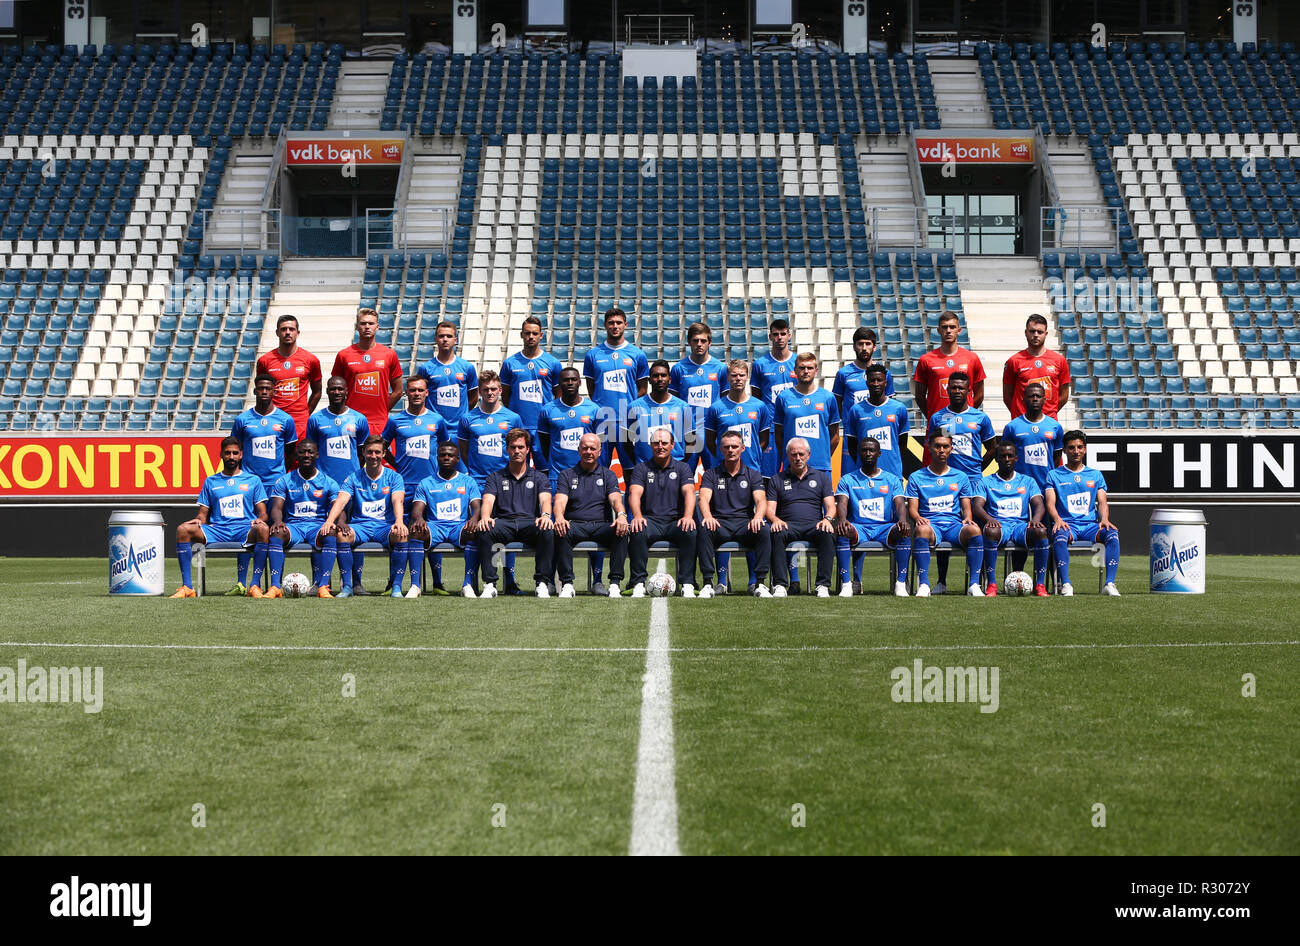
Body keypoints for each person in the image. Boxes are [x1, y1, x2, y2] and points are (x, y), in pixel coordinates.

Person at [169, 437, 270, 598]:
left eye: (235, 453)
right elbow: (203, 515)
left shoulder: (253, 480)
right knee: (183, 529)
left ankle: (254, 585)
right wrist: (199, 520)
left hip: (244, 529)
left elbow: (263, 512)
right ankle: (187, 587)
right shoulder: (211, 481)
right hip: (218, 530)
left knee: (263, 529)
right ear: (221, 455)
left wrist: (261, 519)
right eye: (227, 453)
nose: (231, 456)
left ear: (241, 455)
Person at [924, 371, 996, 594]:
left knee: (978, 530)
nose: (956, 391)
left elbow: (992, 447)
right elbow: (936, 447)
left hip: (973, 482)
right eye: (952, 387)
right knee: (945, 524)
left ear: (969, 391)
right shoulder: (939, 418)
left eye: (961, 388)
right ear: (947, 390)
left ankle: (978, 582)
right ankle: (942, 582)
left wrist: (977, 468)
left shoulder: (980, 418)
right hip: (947, 482)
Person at [842, 363, 911, 592]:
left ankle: (900, 582)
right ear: (866, 382)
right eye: (871, 380)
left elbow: (902, 443)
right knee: (858, 520)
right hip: (863, 477)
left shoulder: (899, 409)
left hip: (891, 476)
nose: (875, 384)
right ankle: (856, 579)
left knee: (897, 526)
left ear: (886, 381)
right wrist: (865, 463)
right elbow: (852, 445)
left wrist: (890, 464)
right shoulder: (856, 410)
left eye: (879, 380)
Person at [704, 359, 772, 591]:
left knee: (754, 523)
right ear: (728, 377)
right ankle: (721, 581)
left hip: (751, 471)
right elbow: (711, 440)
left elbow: (763, 440)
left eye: (742, 375)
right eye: (733, 375)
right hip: (723, 473)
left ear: (747, 378)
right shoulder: (716, 407)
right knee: (717, 521)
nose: (737, 379)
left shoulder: (759, 407)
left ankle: (755, 581)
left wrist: (749, 457)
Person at [228, 373, 296, 593]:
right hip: (249, 483)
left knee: (277, 528)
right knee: (247, 527)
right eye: (261, 388)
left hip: (276, 482)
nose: (264, 392)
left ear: (274, 391)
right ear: (255, 391)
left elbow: (290, 452)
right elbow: (236, 448)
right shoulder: (243, 420)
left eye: (268, 388)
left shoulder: (285, 420)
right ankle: (241, 582)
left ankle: (277, 581)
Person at [383, 376, 452, 591]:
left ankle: (437, 582)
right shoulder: (396, 420)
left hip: (432, 486)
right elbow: (383, 447)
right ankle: (393, 581)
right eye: (412, 390)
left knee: (431, 528)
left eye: (420, 390)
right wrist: (397, 467)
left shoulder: (437, 420)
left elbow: (444, 449)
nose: (416, 394)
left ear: (426, 393)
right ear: (406, 393)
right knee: (399, 532)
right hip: (404, 486)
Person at [458, 370, 524, 592]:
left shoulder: (512, 418)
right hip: (477, 482)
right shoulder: (467, 419)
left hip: (506, 483)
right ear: (479, 392)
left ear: (500, 390)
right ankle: (471, 580)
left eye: (493, 389)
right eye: (485, 389)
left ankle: (509, 580)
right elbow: (464, 452)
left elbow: (519, 452)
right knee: (477, 531)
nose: (489, 393)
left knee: (506, 531)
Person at [320, 435, 408, 598]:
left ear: (383, 453)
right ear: (363, 452)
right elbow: (340, 501)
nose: (373, 456)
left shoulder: (394, 477)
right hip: (360, 526)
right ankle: (347, 586)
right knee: (341, 534)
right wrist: (329, 521)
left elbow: (397, 500)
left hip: (384, 526)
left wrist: (399, 521)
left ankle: (396, 587)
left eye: (377, 452)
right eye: (369, 452)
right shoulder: (354, 477)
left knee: (401, 534)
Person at [473, 429, 556, 599]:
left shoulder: (539, 477)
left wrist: (546, 515)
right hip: (505, 523)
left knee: (547, 530)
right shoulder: (495, 477)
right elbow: (488, 501)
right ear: (507, 450)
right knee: (485, 529)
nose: (516, 451)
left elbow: (546, 500)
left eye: (520, 447)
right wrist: (485, 517)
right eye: (513, 447)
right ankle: (490, 584)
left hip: (529, 523)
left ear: (527, 449)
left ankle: (542, 583)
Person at [905, 430, 984, 597]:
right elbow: (912, 508)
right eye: (937, 446)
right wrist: (918, 518)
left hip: (954, 525)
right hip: (931, 525)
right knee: (921, 530)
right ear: (929, 448)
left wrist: (968, 519)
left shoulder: (961, 477)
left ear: (951, 449)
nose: (941, 450)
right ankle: (924, 585)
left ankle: (974, 585)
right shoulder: (916, 477)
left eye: (945, 446)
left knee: (975, 530)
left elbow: (966, 506)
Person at [1044, 430, 1121, 597]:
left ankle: (1110, 584)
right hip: (1067, 525)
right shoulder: (1054, 475)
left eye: (1079, 447)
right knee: (1059, 535)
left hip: (1090, 526)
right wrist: (1057, 519)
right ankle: (1066, 584)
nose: (1076, 451)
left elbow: (1102, 502)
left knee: (1112, 534)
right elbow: (1049, 502)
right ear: (1064, 450)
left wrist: (1105, 519)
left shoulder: (1095, 474)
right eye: (1071, 448)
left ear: (1085, 449)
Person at [552, 432, 630, 598]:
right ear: (579, 450)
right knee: (560, 530)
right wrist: (559, 517)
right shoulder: (567, 474)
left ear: (599, 451)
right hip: (575, 525)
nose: (588, 452)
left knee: (622, 531)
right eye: (585, 448)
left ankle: (615, 584)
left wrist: (622, 515)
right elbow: (559, 501)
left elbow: (615, 499)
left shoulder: (608, 474)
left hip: (601, 526)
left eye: (592, 448)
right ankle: (567, 584)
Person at [697, 430, 773, 598]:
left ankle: (760, 583)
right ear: (720, 450)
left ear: (742, 448)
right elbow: (703, 499)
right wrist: (708, 517)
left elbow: (761, 501)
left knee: (763, 530)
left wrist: (758, 517)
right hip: (719, 524)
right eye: (726, 447)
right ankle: (708, 583)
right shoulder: (711, 474)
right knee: (704, 529)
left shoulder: (753, 474)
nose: (730, 450)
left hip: (744, 524)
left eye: (734, 446)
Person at [834, 437, 912, 598]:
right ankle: (847, 584)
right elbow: (842, 504)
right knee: (843, 530)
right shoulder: (847, 479)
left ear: (879, 453)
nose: (868, 453)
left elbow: (899, 504)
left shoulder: (892, 479)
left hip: (884, 528)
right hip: (859, 527)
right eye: (864, 450)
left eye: (872, 450)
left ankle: (900, 584)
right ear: (859, 453)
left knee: (903, 531)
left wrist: (902, 519)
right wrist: (841, 519)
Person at [972, 441, 1051, 597]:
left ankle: (1040, 585)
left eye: (1010, 456)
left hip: (1020, 526)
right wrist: (988, 519)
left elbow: (1039, 504)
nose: (1006, 459)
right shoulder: (985, 481)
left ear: (1016, 458)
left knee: (1041, 531)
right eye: (1002, 456)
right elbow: (977, 506)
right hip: (1000, 526)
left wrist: (1035, 519)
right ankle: (992, 585)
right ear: (996, 459)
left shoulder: (1027, 481)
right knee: (990, 531)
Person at [626, 428, 698, 598]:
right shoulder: (641, 468)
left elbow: (689, 492)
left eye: (664, 443)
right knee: (637, 530)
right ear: (650, 445)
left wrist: (687, 516)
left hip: (675, 521)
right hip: (650, 521)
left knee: (690, 531)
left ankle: (687, 583)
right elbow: (634, 493)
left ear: (672, 445)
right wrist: (637, 516)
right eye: (656, 443)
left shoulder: (683, 468)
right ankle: (637, 583)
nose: (660, 446)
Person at [265, 439, 340, 599]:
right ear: (296, 455)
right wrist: (278, 522)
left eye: (310, 451)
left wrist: (333, 522)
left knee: (331, 531)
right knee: (277, 532)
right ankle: (275, 587)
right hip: (295, 527)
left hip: (318, 526)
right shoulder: (285, 480)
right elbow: (277, 508)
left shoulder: (329, 482)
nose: (306, 455)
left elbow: (337, 507)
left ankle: (323, 587)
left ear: (317, 455)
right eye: (302, 452)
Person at [408, 442, 482, 598]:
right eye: (442, 455)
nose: (446, 458)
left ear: (457, 459)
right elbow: (416, 510)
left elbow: (477, 506)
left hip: (459, 527)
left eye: (450, 455)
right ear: (437, 458)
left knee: (474, 532)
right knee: (416, 530)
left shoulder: (468, 481)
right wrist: (420, 518)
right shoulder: (426, 483)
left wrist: (475, 518)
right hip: (435, 527)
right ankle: (415, 585)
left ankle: (467, 584)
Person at [766, 438, 837, 597]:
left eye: (801, 454)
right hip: (788, 525)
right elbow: (769, 510)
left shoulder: (821, 477)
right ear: (787, 456)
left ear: (808, 455)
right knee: (775, 533)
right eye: (793, 455)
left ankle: (823, 585)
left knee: (828, 533)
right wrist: (775, 520)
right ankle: (780, 585)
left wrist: (827, 519)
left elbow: (831, 506)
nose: (797, 458)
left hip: (814, 525)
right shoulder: (776, 479)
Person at [584, 306, 649, 470]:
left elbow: (642, 390)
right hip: (602, 422)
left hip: (627, 422)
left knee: (631, 469)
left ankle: (631, 496)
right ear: (605, 325)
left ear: (625, 325)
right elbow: (592, 390)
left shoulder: (637, 354)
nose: (615, 326)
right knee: (599, 468)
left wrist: (629, 410)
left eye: (619, 322)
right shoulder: (593, 355)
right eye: (611, 323)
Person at [499, 315, 562, 468]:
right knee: (517, 468)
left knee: (545, 469)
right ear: (522, 334)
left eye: (534, 333)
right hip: (518, 427)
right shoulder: (510, 363)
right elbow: (505, 395)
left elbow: (558, 395)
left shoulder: (553, 363)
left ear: (541, 335)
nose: (531, 337)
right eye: (527, 333)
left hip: (543, 427)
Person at [332, 307, 403, 439]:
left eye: (371, 323)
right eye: (363, 323)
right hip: (350, 420)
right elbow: (335, 389)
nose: (367, 327)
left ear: (377, 327)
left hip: (379, 421)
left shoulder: (389, 354)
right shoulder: (344, 355)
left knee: (377, 458)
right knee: (353, 459)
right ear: (357, 327)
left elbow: (398, 390)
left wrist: (382, 410)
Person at [255, 313, 322, 453]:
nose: (287, 332)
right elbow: (262, 390)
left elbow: (317, 391)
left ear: (297, 333)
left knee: (299, 461)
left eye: (291, 329)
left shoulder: (310, 360)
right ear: (277, 332)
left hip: (300, 422)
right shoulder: (265, 361)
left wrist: (305, 413)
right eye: (284, 329)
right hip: (274, 419)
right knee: (273, 458)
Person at [670, 321, 726, 468]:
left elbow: (726, 403)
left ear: (710, 343)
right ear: (689, 342)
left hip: (711, 432)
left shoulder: (720, 368)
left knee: (715, 478)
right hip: (687, 433)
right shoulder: (678, 369)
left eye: (703, 341)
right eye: (695, 341)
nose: (699, 344)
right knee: (683, 479)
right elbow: (672, 403)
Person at [913, 311, 986, 421]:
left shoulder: (972, 358)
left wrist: (966, 413)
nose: (948, 331)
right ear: (938, 331)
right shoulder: (926, 360)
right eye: (944, 327)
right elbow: (919, 396)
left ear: (959, 330)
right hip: (939, 423)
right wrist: (932, 417)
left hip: (965, 421)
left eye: (952, 327)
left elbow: (979, 394)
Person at [538, 367, 600, 492]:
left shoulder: (594, 409)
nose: (570, 383)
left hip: (586, 474)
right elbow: (544, 444)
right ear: (559, 383)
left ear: (580, 382)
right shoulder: (547, 410)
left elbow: (599, 444)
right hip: (557, 476)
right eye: (566, 380)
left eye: (574, 379)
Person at [751, 317, 798, 479]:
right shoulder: (760, 364)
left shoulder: (798, 362)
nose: (780, 338)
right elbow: (756, 399)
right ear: (770, 336)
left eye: (783, 334)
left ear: (789, 336)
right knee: (768, 477)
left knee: (796, 472)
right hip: (770, 427)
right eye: (776, 334)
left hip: (793, 424)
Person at [832, 326, 896, 442]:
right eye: (860, 344)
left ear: (874, 347)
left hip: (878, 432)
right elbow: (837, 405)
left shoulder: (885, 374)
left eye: (868, 344)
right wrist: (849, 420)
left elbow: (888, 403)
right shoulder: (843, 374)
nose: (864, 348)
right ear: (854, 347)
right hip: (852, 433)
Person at [306, 376, 371, 486]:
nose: (337, 392)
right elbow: (311, 452)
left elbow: (362, 452)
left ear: (346, 391)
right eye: (333, 389)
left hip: (351, 482)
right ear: (327, 391)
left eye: (340, 389)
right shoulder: (315, 419)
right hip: (323, 482)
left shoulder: (359, 419)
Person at [1003, 314, 1071, 419]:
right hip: (1021, 421)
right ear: (1026, 333)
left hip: (1049, 422)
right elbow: (1007, 397)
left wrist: (1049, 414)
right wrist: (1021, 415)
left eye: (1040, 332)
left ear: (1046, 334)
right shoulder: (1014, 361)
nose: (1035, 335)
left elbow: (1064, 395)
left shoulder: (1059, 360)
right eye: (1032, 331)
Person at [625, 360, 691, 466]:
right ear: (649, 380)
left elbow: (691, 440)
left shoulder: (683, 407)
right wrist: (639, 462)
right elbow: (626, 441)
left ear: (669, 380)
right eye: (656, 376)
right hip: (645, 467)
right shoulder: (634, 407)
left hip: (675, 467)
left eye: (663, 375)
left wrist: (681, 463)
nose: (660, 379)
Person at [1000, 382, 1065, 490]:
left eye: (1038, 396)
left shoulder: (1055, 426)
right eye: (1031, 396)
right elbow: (1004, 455)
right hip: (1020, 486)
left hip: (1046, 485)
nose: (1035, 399)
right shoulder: (1012, 426)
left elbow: (1057, 456)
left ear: (1044, 400)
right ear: (1024, 399)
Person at [416, 320, 479, 429]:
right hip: (434, 427)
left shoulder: (467, 367)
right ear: (436, 339)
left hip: (459, 428)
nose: (445, 339)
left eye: (449, 336)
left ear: (455, 340)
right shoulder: (426, 368)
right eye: (441, 336)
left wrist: (461, 412)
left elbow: (473, 396)